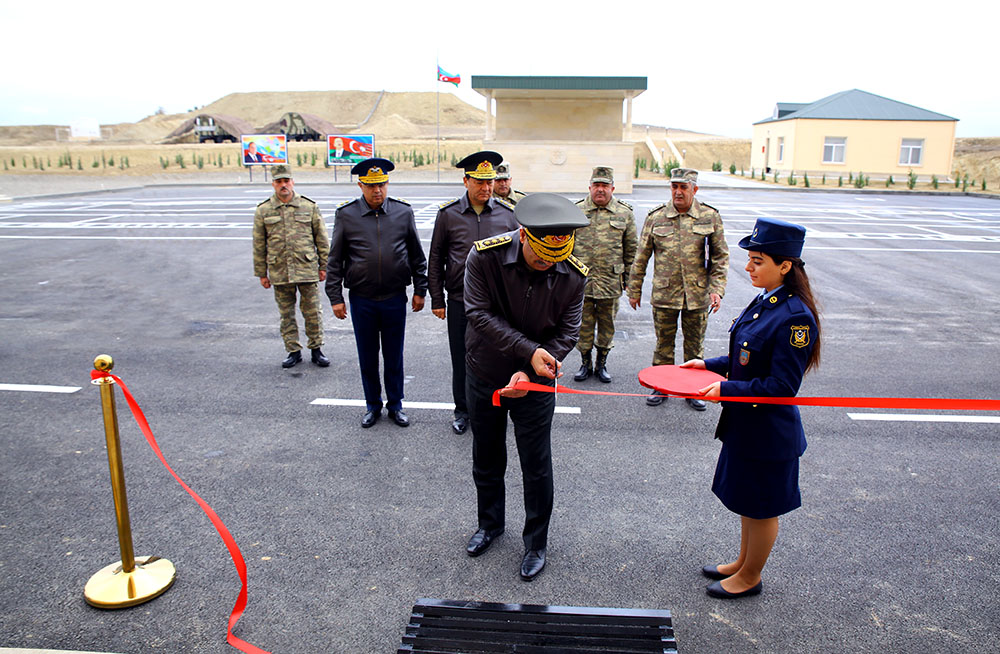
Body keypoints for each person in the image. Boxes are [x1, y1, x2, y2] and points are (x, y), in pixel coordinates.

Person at [681, 217, 821, 599]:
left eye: (758, 260)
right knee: (748, 501)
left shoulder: (795, 318)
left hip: (768, 432)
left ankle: (751, 577)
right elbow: (746, 357)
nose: (748, 267)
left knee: (762, 508)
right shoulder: (766, 302)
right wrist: (707, 366)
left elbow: (781, 387)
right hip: (746, 426)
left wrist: (725, 389)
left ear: (785, 265)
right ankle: (743, 562)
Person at [462, 193, 589, 582]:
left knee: (536, 465)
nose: (546, 264)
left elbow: (568, 332)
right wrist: (527, 351)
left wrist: (533, 370)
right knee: (487, 455)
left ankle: (536, 542)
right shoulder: (484, 257)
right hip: (485, 371)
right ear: (523, 235)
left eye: (554, 259)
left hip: (536, 383)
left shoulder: (573, 274)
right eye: (539, 257)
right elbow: (477, 313)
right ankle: (490, 524)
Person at [325, 158, 428, 428]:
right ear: (361, 185)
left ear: (387, 183)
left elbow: (417, 255)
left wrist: (421, 289)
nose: (377, 191)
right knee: (368, 356)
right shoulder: (347, 215)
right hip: (363, 300)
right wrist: (335, 297)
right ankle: (372, 405)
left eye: (381, 184)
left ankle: (396, 405)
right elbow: (335, 259)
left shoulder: (402, 212)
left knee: (394, 355)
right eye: (371, 186)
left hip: (395, 297)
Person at [428, 151, 518, 435]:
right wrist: (437, 298)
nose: (486, 188)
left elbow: (516, 260)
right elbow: (436, 258)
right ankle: (462, 410)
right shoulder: (449, 215)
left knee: (497, 356)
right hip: (460, 301)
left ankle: (494, 407)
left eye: (490, 181)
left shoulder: (507, 215)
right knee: (462, 358)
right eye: (479, 182)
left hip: (497, 305)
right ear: (466, 181)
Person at [627, 167, 729, 410]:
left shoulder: (709, 217)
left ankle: (694, 390)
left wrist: (717, 289)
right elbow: (641, 257)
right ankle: (661, 387)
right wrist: (634, 289)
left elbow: (720, 258)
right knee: (664, 344)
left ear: (695, 189)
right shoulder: (656, 217)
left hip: (697, 294)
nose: (678, 192)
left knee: (695, 347)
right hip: (665, 294)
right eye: (674, 187)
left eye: (684, 187)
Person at [252, 164, 330, 368]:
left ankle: (316, 349)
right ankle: (293, 351)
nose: (283, 185)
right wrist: (262, 273)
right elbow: (259, 244)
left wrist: (324, 265)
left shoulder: (308, 206)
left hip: (306, 268)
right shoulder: (263, 210)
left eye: (286, 181)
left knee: (312, 311)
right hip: (279, 270)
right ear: (273, 184)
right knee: (286, 314)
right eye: (279, 182)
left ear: (292, 182)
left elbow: (321, 239)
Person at [571, 166, 637, 383]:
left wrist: (629, 281)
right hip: (582, 282)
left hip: (610, 282)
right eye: (596, 185)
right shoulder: (576, 211)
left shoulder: (624, 213)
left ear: (612, 188)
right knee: (583, 325)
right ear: (589, 187)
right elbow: (566, 247)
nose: (600, 190)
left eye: (605, 186)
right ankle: (585, 363)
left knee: (607, 325)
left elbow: (631, 250)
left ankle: (602, 364)